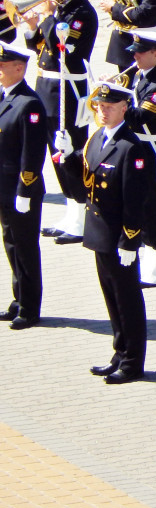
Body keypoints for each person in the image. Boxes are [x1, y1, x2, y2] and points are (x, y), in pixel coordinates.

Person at [62, 83, 153, 384]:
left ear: (124, 108)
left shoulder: (131, 148)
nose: (102, 111)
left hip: (118, 236)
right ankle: (119, 352)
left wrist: (130, 240)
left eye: (109, 107)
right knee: (112, 297)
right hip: (100, 232)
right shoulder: (98, 137)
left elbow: (135, 198)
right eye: (99, 107)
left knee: (127, 299)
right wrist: (67, 158)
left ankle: (132, 362)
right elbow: (88, 178)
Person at [24, 0, 98, 244]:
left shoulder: (80, 13)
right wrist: (33, 28)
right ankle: (71, 212)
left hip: (66, 88)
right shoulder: (61, 9)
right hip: (46, 86)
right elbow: (40, 48)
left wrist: (48, 18)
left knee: (69, 152)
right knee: (54, 154)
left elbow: (65, 51)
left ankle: (81, 215)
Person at [0, 43, 48, 329]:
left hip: (20, 191)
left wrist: (24, 190)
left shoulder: (29, 103)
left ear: (19, 68)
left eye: (3, 65)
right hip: (3, 188)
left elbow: (32, 154)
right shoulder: (5, 97)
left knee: (26, 248)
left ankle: (30, 308)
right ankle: (18, 299)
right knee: (11, 245)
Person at [122, 30, 156, 286]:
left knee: (153, 208)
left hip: (150, 150)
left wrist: (116, 101)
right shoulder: (140, 75)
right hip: (136, 148)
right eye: (134, 52)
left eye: (140, 53)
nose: (135, 57)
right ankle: (146, 259)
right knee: (138, 206)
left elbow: (140, 117)